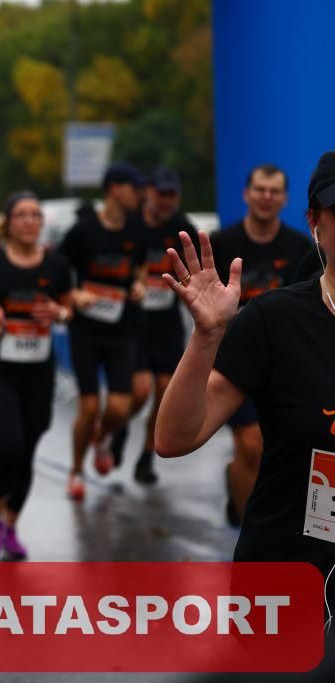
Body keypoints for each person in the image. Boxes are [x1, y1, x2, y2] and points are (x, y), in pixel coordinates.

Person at [156, 150, 335, 602]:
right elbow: (175, 437)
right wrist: (206, 337)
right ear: (315, 222)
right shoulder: (274, 319)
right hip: (290, 575)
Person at [209, 163, 313, 524]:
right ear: (246, 194)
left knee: (280, 450)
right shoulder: (222, 245)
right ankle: (247, 535)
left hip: (286, 364)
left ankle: (244, 485)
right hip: (235, 360)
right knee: (252, 443)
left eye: (274, 191)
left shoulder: (301, 249)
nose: (267, 197)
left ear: (285, 199)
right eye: (260, 189)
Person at [0, 191, 72, 559]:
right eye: (22, 214)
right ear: (9, 222)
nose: (30, 221)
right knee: (9, 444)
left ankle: (11, 526)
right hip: (0, 370)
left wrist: (59, 314)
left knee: (28, 449)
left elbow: (69, 306)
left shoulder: (56, 266)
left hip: (39, 370)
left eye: (35, 214)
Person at [58, 162, 147, 500]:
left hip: (122, 329)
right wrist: (73, 294)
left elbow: (140, 268)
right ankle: (76, 470)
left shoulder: (137, 228)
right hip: (86, 330)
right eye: (134, 188)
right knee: (89, 406)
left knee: (121, 408)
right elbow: (58, 270)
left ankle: (102, 437)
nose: (139, 194)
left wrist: (139, 285)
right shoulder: (83, 231)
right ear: (113, 189)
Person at [110, 169, 199, 484]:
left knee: (164, 392)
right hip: (133, 323)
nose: (167, 201)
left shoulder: (183, 229)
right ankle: (120, 429)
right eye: (161, 194)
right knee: (138, 392)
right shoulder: (131, 225)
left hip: (166, 324)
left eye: (172, 195)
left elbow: (196, 274)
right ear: (148, 192)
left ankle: (146, 457)